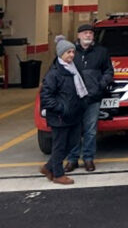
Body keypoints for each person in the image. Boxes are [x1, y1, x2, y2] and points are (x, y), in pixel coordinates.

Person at [64, 24, 113, 173]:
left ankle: (88, 158)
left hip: (93, 97)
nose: (88, 35)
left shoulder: (102, 52)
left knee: (90, 130)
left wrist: (100, 85)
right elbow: (60, 69)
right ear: (78, 35)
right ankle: (72, 160)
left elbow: (109, 71)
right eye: (85, 33)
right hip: (74, 98)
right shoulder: (70, 52)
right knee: (74, 129)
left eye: (91, 33)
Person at [38, 37, 88, 185]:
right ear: (60, 54)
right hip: (60, 117)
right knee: (60, 145)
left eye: (73, 52)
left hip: (74, 115)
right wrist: (62, 108)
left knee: (73, 142)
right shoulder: (54, 74)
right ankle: (58, 174)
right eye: (68, 52)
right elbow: (46, 97)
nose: (71, 55)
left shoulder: (73, 69)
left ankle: (48, 167)